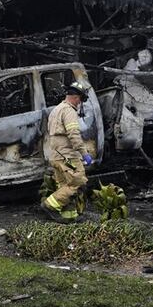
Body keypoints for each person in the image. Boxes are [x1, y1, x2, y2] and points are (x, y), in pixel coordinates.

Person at [41, 80, 94, 223]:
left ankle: (69, 217)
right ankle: (49, 205)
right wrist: (85, 154)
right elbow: (74, 135)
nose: (80, 103)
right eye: (81, 100)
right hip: (67, 157)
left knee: (65, 185)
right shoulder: (69, 111)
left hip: (56, 155)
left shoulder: (56, 109)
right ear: (76, 98)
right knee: (78, 179)